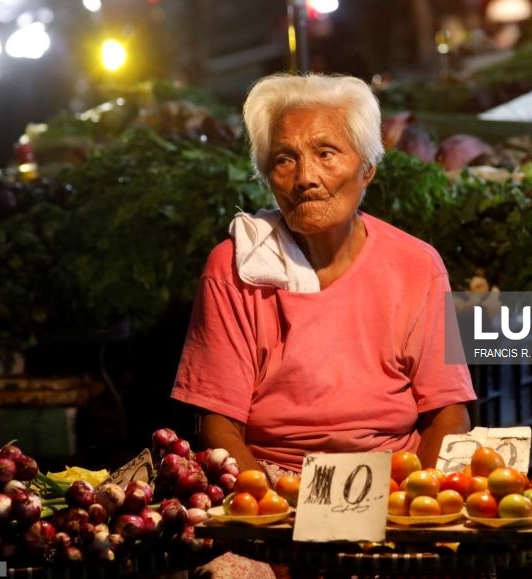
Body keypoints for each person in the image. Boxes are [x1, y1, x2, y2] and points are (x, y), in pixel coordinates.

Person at [171, 73, 476, 485]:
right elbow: (218, 426)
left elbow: (449, 413)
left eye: (326, 153)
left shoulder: (416, 265)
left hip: (395, 481)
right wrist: (269, 504)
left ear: (367, 168)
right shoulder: (234, 268)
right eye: (284, 159)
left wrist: (411, 502)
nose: (305, 178)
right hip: (276, 484)